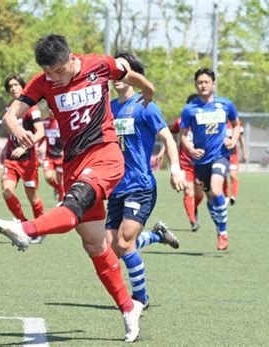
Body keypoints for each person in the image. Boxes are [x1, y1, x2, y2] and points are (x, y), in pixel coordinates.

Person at [0, 34, 156, 342]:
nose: (53, 78)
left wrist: (147, 88)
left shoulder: (99, 65)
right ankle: (128, 306)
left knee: (74, 206)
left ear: (70, 59)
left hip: (105, 156)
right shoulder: (42, 82)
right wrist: (16, 130)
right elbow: (10, 115)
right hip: (73, 164)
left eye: (58, 71)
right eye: (48, 72)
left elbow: (125, 71)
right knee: (94, 244)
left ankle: (27, 229)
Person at [105, 52, 185, 309]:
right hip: (116, 187)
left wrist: (175, 169)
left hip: (140, 186)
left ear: (134, 75)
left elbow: (168, 139)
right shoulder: (109, 108)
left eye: (123, 70)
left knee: (124, 241)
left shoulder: (145, 105)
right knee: (112, 249)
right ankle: (157, 236)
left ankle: (140, 298)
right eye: (114, 71)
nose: (116, 76)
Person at [180, 68, 241, 251]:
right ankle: (219, 226)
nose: (203, 85)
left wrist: (233, 139)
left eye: (206, 82)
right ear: (195, 85)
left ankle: (223, 232)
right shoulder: (190, 110)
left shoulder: (225, 104)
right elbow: (182, 136)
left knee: (216, 189)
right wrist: (191, 149)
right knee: (210, 200)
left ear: (213, 83)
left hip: (221, 155)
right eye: (199, 82)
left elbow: (237, 125)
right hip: (200, 162)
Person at [0, 75, 45, 242]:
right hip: (11, 160)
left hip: (28, 161)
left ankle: (41, 228)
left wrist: (25, 146)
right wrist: (6, 149)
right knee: (7, 191)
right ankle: (24, 224)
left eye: (16, 85)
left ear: (23, 86)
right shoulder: (8, 110)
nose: (13, 88)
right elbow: (11, 134)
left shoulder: (31, 108)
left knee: (32, 195)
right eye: (10, 86)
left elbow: (40, 132)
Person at [169, 94, 205, 231]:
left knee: (199, 194)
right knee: (188, 191)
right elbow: (169, 135)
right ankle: (192, 221)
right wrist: (163, 152)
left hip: (201, 163)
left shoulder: (203, 119)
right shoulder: (181, 122)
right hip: (185, 163)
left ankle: (194, 208)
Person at [39, 108, 65, 203]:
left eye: (52, 108)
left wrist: (65, 150)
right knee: (48, 177)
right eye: (49, 109)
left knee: (60, 180)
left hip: (61, 156)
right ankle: (57, 188)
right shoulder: (45, 122)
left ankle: (60, 201)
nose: (51, 110)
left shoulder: (63, 120)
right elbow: (41, 135)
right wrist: (38, 146)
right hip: (49, 156)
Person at [223, 119, 247, 205]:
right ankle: (226, 196)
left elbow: (241, 139)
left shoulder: (235, 122)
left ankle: (233, 196)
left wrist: (244, 153)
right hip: (221, 155)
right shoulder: (218, 121)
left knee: (233, 175)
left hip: (233, 156)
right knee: (223, 176)